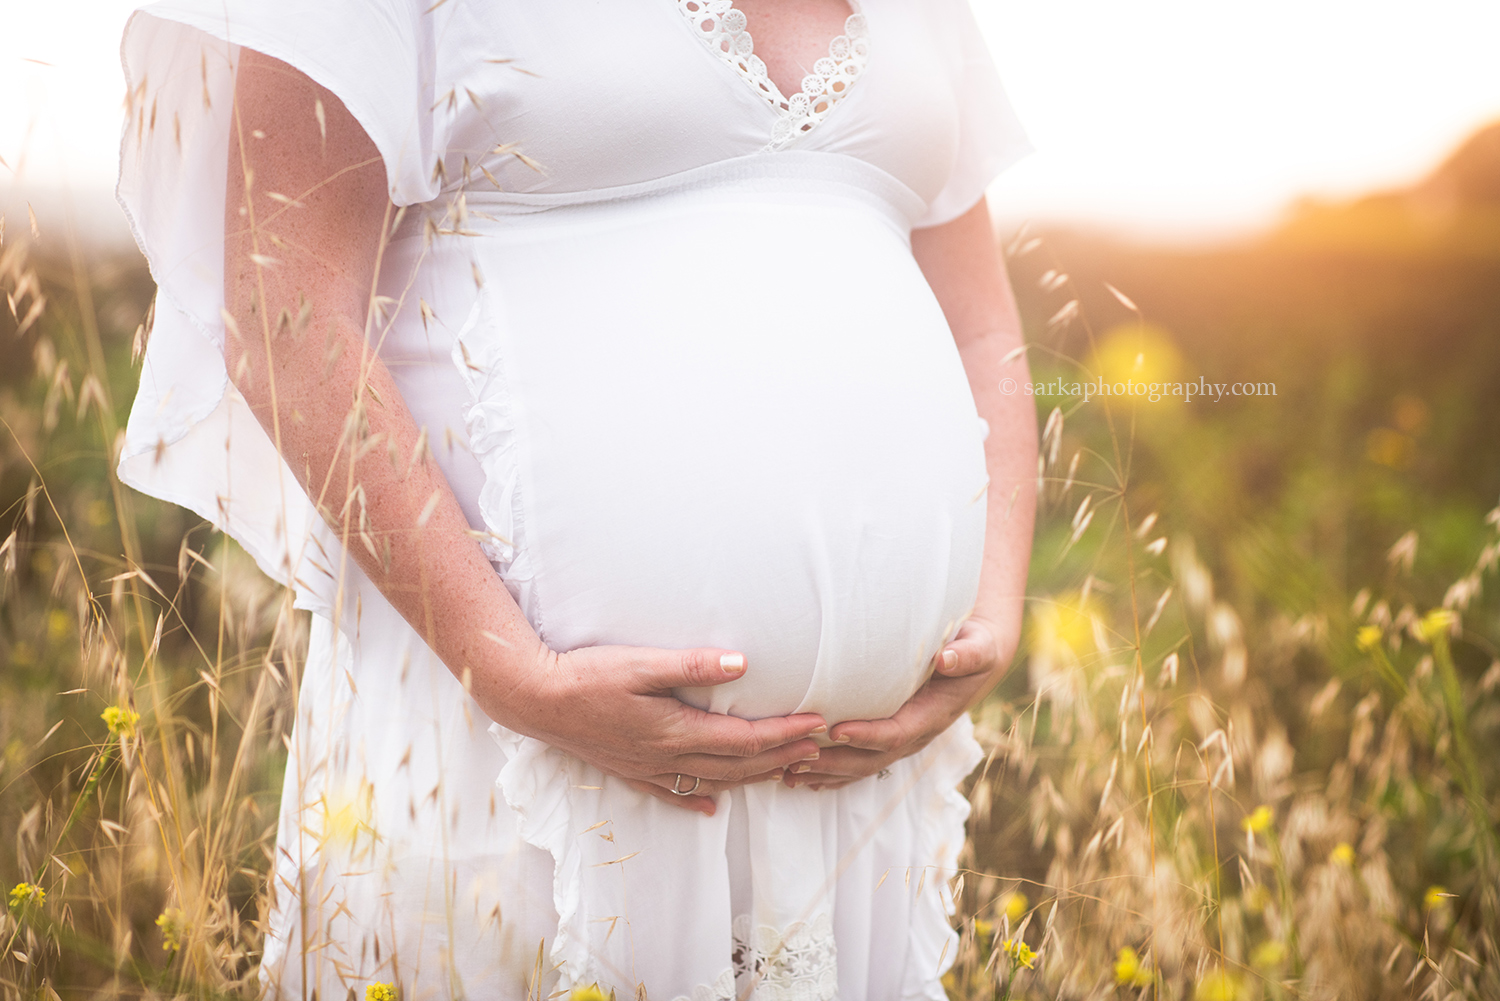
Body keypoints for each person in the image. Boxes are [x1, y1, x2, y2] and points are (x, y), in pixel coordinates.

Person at [116, 0, 1037, 996]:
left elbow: (986, 333)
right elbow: (283, 305)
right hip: (509, 755)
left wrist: (991, 601)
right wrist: (516, 675)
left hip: (847, 799)